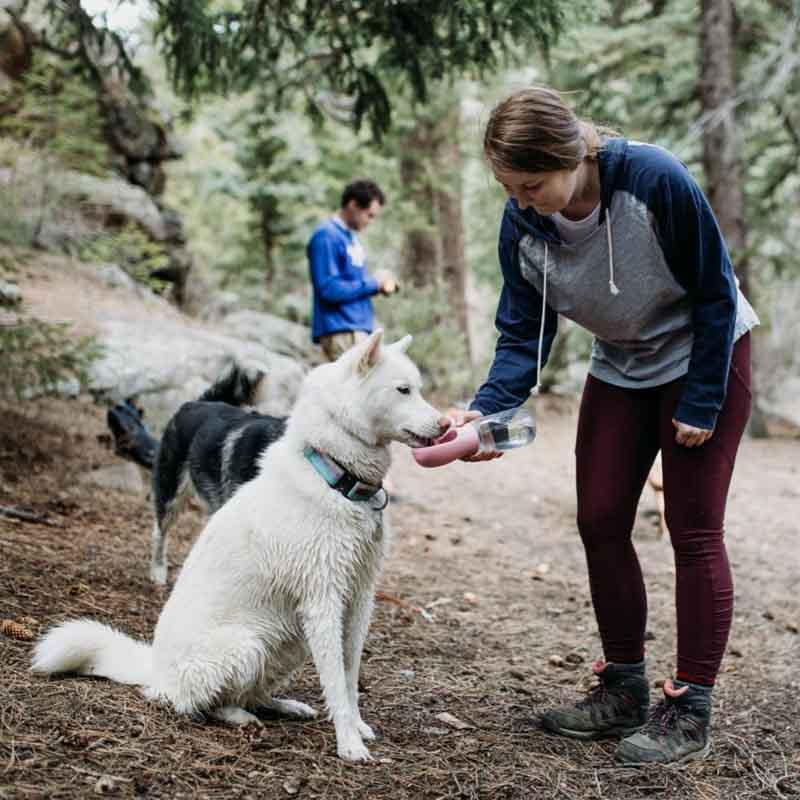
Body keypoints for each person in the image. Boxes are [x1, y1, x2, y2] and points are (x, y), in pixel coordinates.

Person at [449, 87, 759, 765]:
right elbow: (521, 334)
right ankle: (622, 690)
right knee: (598, 518)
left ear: (572, 155)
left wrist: (703, 400)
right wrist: (487, 409)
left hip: (705, 353)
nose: (523, 201)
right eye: (510, 188)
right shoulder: (524, 224)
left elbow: (715, 289)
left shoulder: (655, 181)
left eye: (533, 184)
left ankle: (690, 706)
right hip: (622, 362)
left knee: (694, 527)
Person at [307, 179, 398, 362]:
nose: (370, 221)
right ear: (353, 205)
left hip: (357, 330)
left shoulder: (350, 238)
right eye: (369, 215)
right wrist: (373, 284)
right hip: (341, 331)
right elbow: (328, 289)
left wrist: (379, 284)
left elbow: (353, 284)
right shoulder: (326, 235)